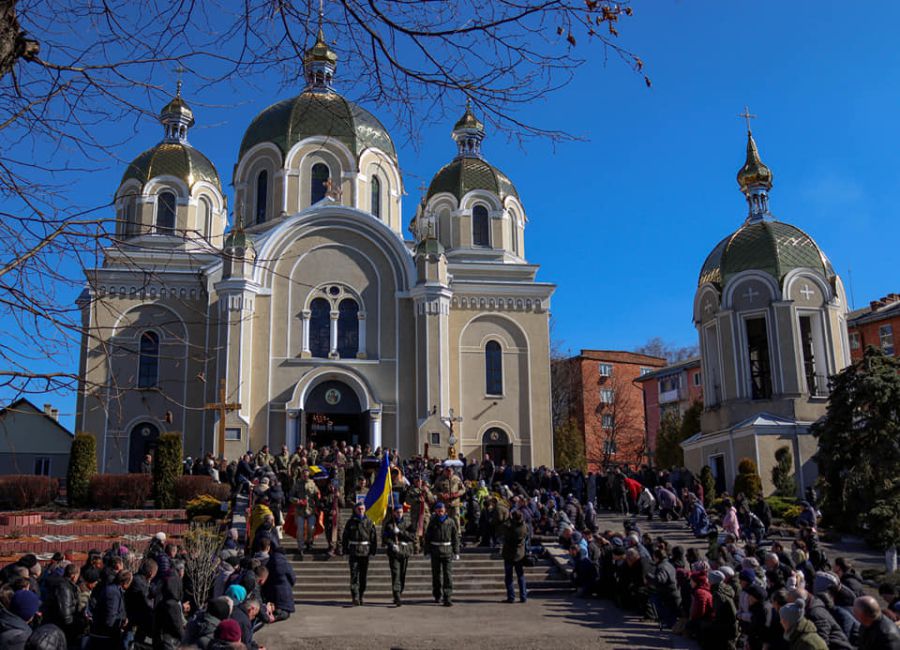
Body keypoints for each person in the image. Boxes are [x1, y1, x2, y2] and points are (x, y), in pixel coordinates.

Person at [341, 502, 377, 606]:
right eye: (359, 509)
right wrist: (345, 549)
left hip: (365, 551)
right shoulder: (350, 522)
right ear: (355, 510)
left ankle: (361, 595)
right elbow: (345, 537)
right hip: (354, 550)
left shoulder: (369, 522)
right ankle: (355, 596)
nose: (361, 510)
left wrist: (373, 550)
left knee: (363, 576)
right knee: (354, 575)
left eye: (362, 509)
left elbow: (373, 537)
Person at [425, 501, 459, 606]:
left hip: (447, 551)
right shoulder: (432, 522)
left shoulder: (450, 521)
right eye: (438, 510)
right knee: (436, 576)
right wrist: (427, 551)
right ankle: (437, 595)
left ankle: (447, 597)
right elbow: (427, 538)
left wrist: (456, 551)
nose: (440, 511)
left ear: (445, 510)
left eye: (442, 510)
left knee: (448, 576)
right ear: (435, 510)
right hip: (435, 550)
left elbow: (455, 537)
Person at [382, 504, 415, 606]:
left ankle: (399, 592)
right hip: (394, 552)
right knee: (396, 574)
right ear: (394, 513)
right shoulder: (389, 524)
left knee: (402, 574)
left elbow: (412, 537)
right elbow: (385, 538)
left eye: (401, 512)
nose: (399, 514)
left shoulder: (408, 523)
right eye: (397, 512)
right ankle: (397, 596)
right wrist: (391, 544)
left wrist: (400, 532)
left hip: (404, 551)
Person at [289, 468, 320, 559]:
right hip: (299, 510)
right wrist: (297, 501)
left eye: (307, 475)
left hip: (311, 510)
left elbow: (317, 495)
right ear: (301, 475)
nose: (305, 476)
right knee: (300, 529)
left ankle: (309, 542)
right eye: (304, 475)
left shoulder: (313, 484)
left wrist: (318, 501)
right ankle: (300, 547)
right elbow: (290, 496)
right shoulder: (296, 484)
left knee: (311, 528)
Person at [500, 508, 528, 604]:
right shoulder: (523, 526)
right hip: (519, 554)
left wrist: (508, 519)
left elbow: (503, 530)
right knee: (520, 575)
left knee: (509, 576)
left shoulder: (511, 528)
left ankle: (511, 597)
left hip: (509, 554)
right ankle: (523, 596)